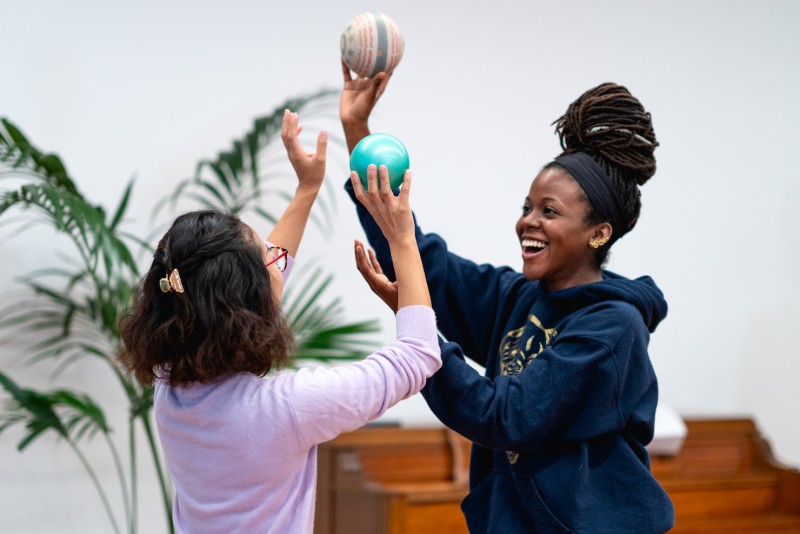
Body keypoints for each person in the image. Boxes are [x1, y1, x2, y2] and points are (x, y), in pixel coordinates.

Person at [340, 64, 675, 533]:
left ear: (598, 233)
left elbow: (506, 417)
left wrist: (412, 322)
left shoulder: (612, 329)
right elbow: (428, 268)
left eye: (549, 212)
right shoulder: (517, 297)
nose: (528, 222)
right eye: (527, 208)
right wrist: (358, 134)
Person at [117, 109, 441, 534]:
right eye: (265, 258)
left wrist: (307, 188)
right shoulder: (287, 408)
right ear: (247, 304)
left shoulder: (169, 388)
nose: (276, 259)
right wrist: (401, 235)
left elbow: (249, 281)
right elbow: (418, 355)